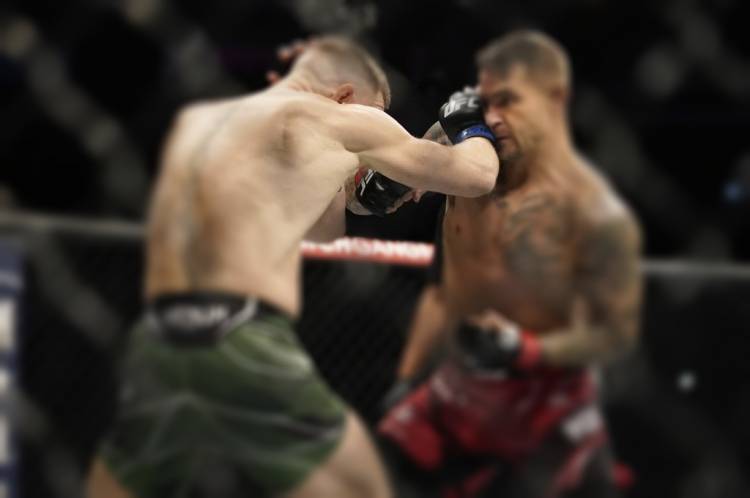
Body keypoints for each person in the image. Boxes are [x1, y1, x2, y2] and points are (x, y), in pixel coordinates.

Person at [85, 36, 500, 498]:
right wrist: (469, 123)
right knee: (365, 489)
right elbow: (478, 176)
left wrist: (358, 186)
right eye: (377, 112)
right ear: (345, 95)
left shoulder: (201, 122)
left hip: (161, 335)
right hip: (237, 333)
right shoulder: (337, 118)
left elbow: (321, 232)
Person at [378, 30, 642, 498]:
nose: (495, 118)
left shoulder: (595, 214)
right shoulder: (469, 178)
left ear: (553, 101)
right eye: (487, 103)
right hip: (458, 397)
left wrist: (526, 351)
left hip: (547, 416)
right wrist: (407, 379)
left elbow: (615, 332)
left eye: (510, 103)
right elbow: (441, 290)